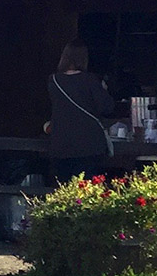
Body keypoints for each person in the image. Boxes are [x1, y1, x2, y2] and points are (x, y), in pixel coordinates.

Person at [48, 42, 114, 184]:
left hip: (61, 143)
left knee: (64, 188)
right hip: (88, 144)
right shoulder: (90, 80)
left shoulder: (53, 80)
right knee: (86, 188)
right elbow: (106, 107)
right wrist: (104, 90)